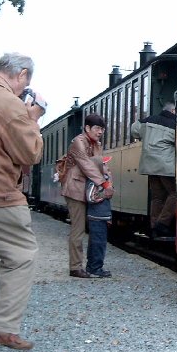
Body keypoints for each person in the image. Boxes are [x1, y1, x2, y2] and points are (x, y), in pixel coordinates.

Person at [0, 53, 45, 350]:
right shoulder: (9, 104)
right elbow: (30, 154)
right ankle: (3, 327)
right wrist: (33, 119)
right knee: (20, 255)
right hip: (0, 195)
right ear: (22, 75)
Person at [60, 113, 114, 278]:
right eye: (97, 128)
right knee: (78, 229)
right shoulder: (79, 142)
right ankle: (75, 267)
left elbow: (102, 165)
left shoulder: (96, 144)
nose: (100, 132)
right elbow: (87, 165)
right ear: (87, 128)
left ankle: (92, 266)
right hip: (75, 190)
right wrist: (103, 184)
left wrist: (109, 181)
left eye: (102, 129)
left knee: (94, 228)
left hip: (89, 190)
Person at [131, 102, 176, 239]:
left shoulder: (147, 120)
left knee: (157, 197)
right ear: (173, 110)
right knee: (175, 193)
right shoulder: (174, 124)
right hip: (165, 165)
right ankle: (162, 224)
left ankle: (153, 227)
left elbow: (134, 129)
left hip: (149, 164)